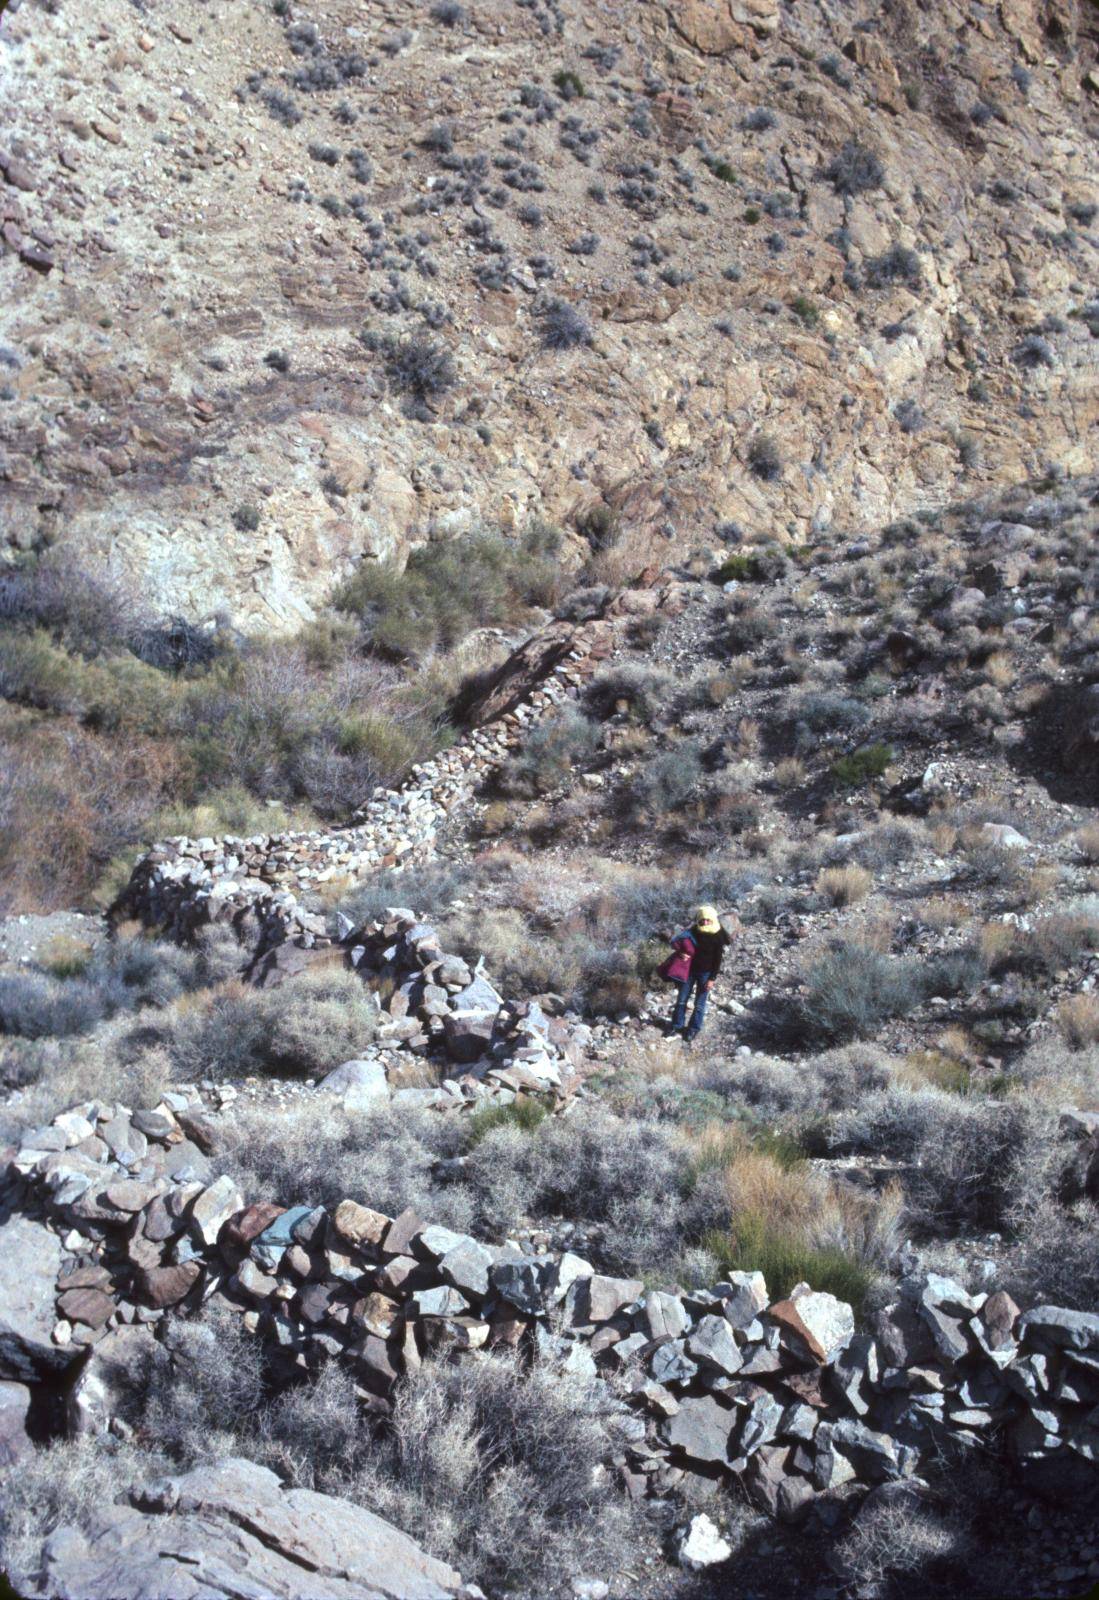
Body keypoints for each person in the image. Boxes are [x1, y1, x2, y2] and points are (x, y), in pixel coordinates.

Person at [668, 904, 732, 1044]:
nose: (704, 922)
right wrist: (681, 953)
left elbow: (717, 960)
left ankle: (693, 1028)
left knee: (699, 1004)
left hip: (706, 974)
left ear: (713, 920)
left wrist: (712, 979)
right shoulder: (693, 931)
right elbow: (678, 943)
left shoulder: (718, 935)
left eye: (708, 920)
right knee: (681, 1000)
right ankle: (676, 1025)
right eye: (702, 920)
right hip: (689, 971)